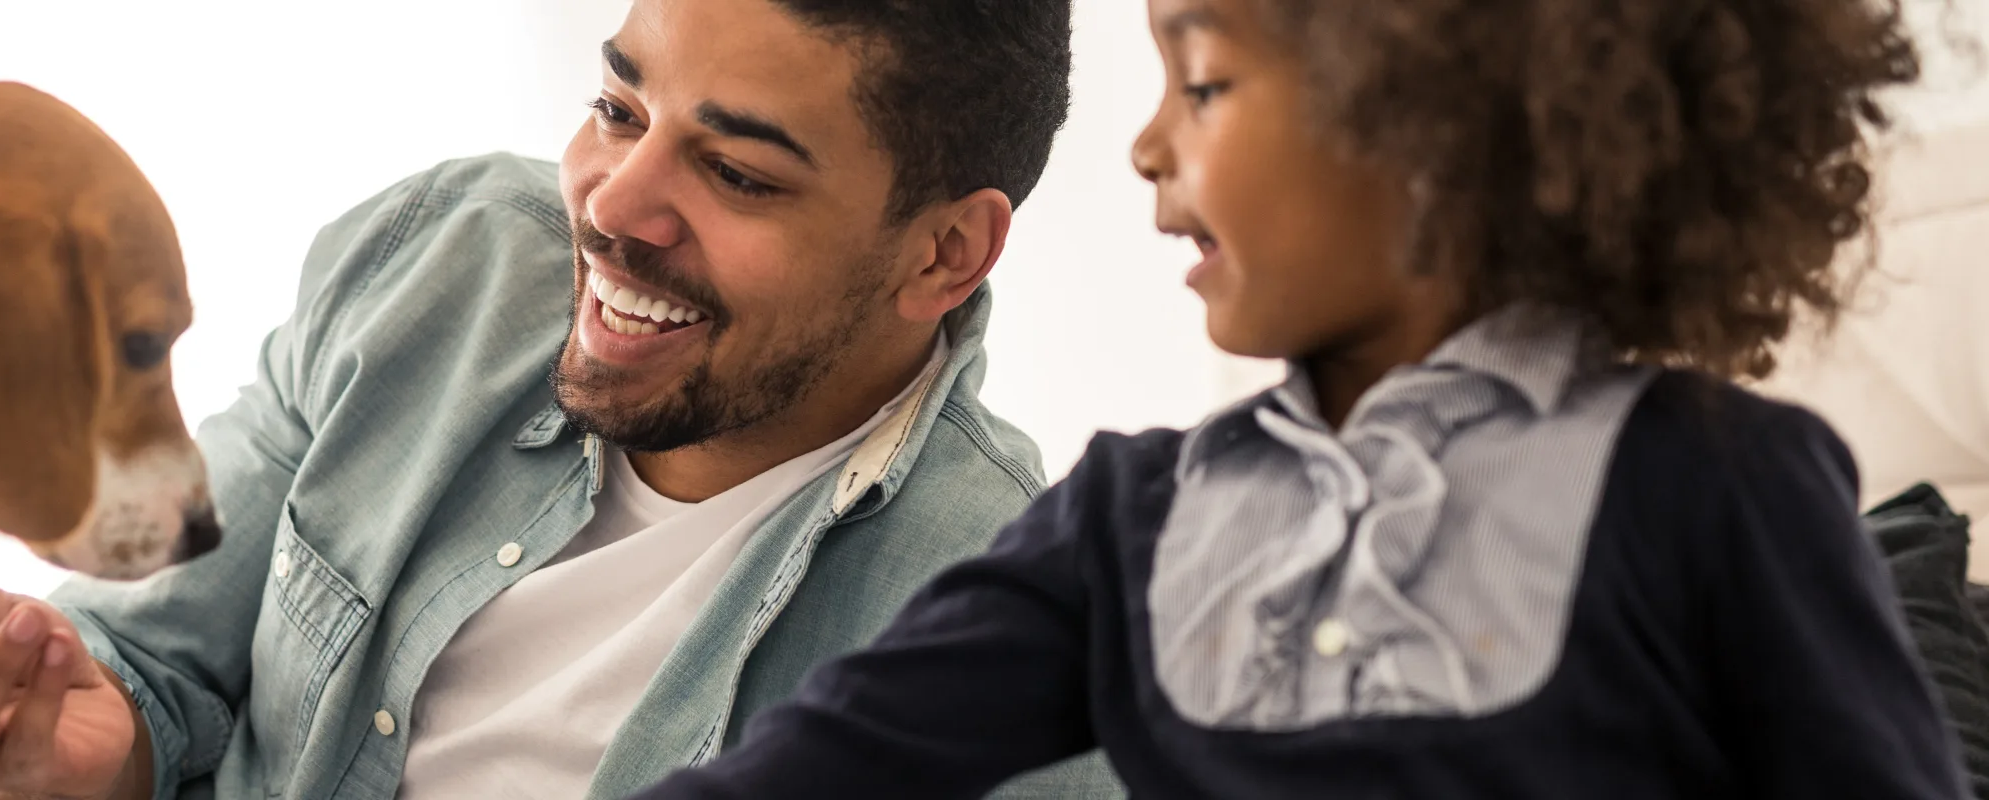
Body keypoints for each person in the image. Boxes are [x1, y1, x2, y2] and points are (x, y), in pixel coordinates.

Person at [0, 0, 1123, 798]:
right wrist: (84, 755)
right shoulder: (451, 262)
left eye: (736, 174)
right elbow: (160, 668)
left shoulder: (1008, 632)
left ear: (944, 252)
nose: (615, 203)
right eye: (619, 107)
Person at [624, 0, 1966, 796]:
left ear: (1438, 124)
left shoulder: (1717, 486)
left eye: (1203, 83)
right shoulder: (1128, 526)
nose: (1146, 145)